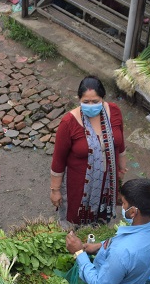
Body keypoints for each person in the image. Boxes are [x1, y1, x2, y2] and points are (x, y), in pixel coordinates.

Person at [50, 76, 125, 227]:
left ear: (103, 99)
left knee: (101, 222)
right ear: (79, 99)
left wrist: (121, 170)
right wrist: (55, 190)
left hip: (107, 184)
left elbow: (120, 144)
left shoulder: (114, 112)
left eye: (95, 101)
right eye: (86, 102)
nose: (91, 105)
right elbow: (58, 160)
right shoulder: (69, 122)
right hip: (78, 188)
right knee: (75, 224)